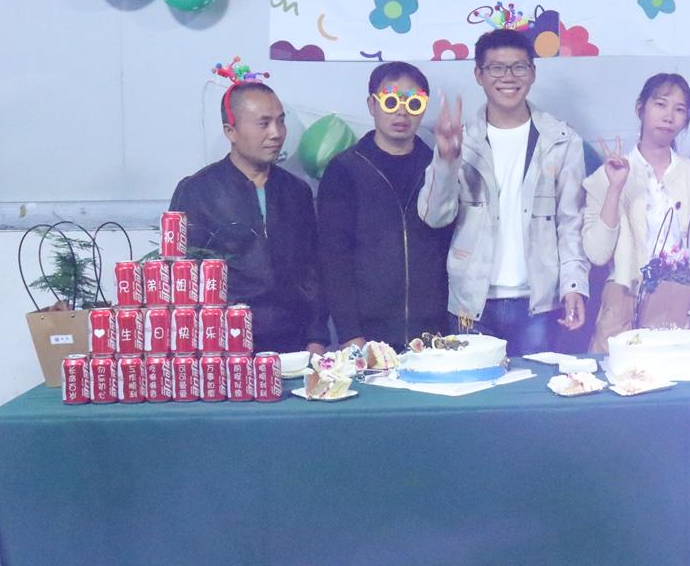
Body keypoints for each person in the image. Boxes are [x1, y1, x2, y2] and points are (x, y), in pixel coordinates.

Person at [418, 28, 590, 355]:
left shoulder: (561, 140)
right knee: (476, 388)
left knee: (535, 388)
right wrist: (446, 159)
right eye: (496, 68)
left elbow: (571, 223)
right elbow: (434, 217)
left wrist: (573, 284)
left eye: (519, 67)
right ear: (479, 74)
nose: (508, 77)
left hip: (537, 303)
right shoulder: (462, 139)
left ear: (533, 73)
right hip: (472, 302)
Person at [169, 79, 327, 354]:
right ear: (230, 131)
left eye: (281, 121)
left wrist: (317, 338)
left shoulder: (297, 191)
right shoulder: (197, 191)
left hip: (293, 343)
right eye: (264, 123)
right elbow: (181, 274)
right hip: (224, 345)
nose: (276, 133)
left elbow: (313, 270)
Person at [317, 61, 452, 350]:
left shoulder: (437, 167)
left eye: (413, 103)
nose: (402, 112)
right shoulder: (345, 170)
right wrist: (349, 333)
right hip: (368, 329)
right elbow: (333, 257)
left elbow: (448, 247)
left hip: (433, 330)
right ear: (372, 105)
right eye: (390, 101)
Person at [582, 73, 690, 352]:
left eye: (679, 109)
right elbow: (597, 253)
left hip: (680, 303)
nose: (669, 116)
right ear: (640, 108)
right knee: (621, 376)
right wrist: (615, 188)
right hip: (622, 302)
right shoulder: (603, 177)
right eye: (660, 104)